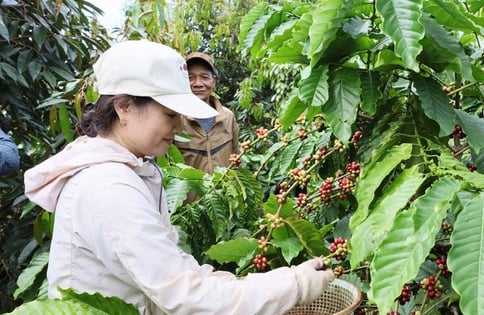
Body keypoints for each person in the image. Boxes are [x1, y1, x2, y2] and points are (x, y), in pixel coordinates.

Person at [24, 40, 333, 315]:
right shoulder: (108, 187)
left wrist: (263, 283)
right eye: (170, 116)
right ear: (124, 107)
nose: (180, 128)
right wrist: (295, 285)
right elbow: (184, 294)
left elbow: (174, 272)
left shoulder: (136, 168)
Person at [174, 52, 239, 173]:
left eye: (204, 77)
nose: (198, 84)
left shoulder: (227, 117)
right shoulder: (174, 119)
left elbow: (236, 160)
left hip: (224, 191)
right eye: (190, 78)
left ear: (213, 81)